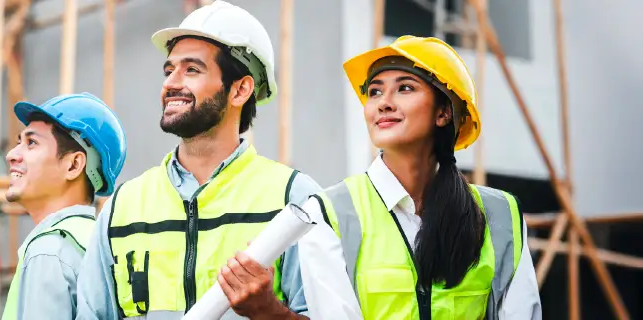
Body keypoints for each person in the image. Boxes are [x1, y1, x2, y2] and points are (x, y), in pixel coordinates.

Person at [75, 1, 324, 319]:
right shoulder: (122, 207)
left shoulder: (295, 199)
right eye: (169, 70)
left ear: (240, 90)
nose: (170, 83)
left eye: (191, 69)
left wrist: (269, 312)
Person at [295, 36, 542, 320]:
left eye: (405, 88)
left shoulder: (502, 215)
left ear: (443, 112)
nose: (383, 103)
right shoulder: (328, 213)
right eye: (374, 92)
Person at [1, 92, 128, 320]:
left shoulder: (50, 251)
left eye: (31, 143)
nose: (12, 155)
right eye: (19, 142)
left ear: (74, 165)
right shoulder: (101, 244)